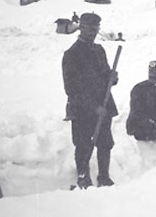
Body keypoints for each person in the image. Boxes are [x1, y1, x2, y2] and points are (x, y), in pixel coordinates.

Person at [62, 13, 119, 189]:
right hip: (82, 108)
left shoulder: (99, 50)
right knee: (83, 144)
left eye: (96, 28)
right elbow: (71, 88)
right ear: (81, 27)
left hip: (103, 103)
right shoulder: (71, 54)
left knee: (105, 143)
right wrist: (93, 107)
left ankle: (104, 177)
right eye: (89, 28)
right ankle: (84, 179)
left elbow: (105, 75)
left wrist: (112, 77)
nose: (92, 32)